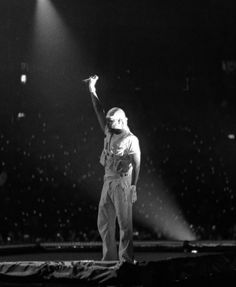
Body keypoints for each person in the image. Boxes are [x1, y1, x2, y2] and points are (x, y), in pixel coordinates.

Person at [85, 75, 141, 263]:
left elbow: (137, 162)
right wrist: (92, 89)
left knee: (124, 224)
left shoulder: (130, 139)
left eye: (111, 122)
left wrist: (133, 186)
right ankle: (108, 259)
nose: (107, 125)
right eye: (107, 122)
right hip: (108, 181)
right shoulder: (109, 131)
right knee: (105, 223)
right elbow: (99, 110)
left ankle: (126, 260)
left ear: (121, 121)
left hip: (122, 182)